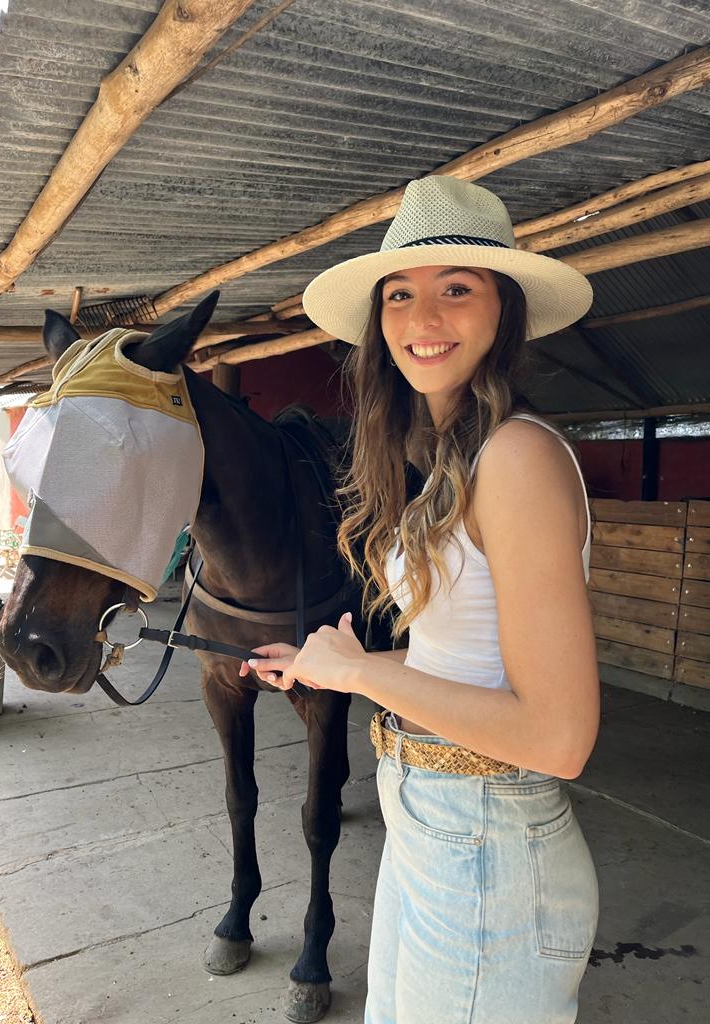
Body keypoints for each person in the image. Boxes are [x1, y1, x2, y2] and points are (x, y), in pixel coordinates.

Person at [239, 176, 600, 1024]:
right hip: (430, 821)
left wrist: (364, 678)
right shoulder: (451, 458)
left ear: (504, 312)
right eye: (399, 294)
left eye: (456, 289)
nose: (422, 318)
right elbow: (465, 661)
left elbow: (559, 737)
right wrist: (344, 665)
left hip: (489, 842)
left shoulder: (516, 456)